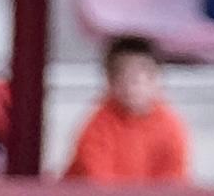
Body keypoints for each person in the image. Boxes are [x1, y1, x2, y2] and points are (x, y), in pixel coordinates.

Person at [62, 33, 193, 180]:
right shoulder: (98, 125)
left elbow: (175, 179)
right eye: (123, 76)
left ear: (157, 78)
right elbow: (96, 180)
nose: (132, 86)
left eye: (141, 76)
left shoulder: (171, 126)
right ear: (109, 81)